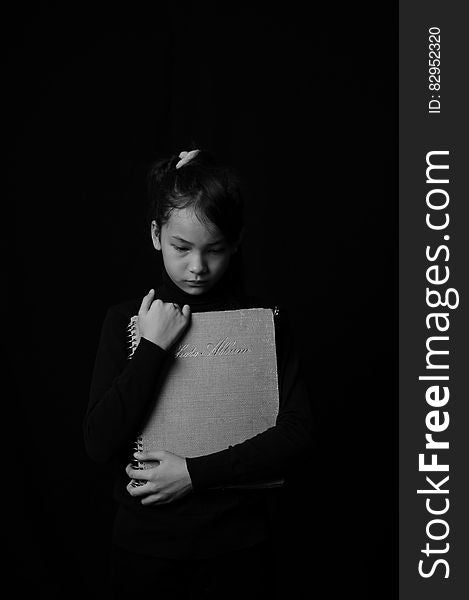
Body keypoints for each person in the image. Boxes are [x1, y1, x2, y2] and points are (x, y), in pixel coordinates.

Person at [84, 149, 313, 598]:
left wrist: (194, 473)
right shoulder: (127, 321)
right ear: (156, 235)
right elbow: (98, 442)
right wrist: (152, 347)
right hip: (144, 550)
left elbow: (298, 433)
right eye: (181, 247)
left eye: (216, 249)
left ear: (237, 242)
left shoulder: (262, 322)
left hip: (238, 548)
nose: (198, 267)